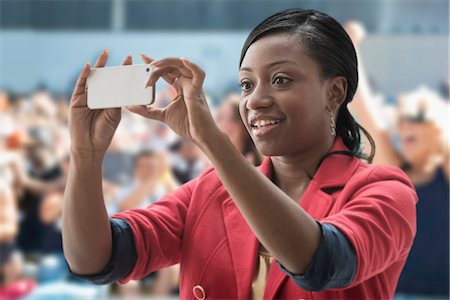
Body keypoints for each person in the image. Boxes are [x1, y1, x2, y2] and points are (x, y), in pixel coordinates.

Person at [62, 9, 417, 299]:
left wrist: (212, 141)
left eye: (280, 80)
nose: (255, 100)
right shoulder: (210, 191)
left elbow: (317, 260)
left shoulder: (385, 191)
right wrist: (85, 156)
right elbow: (96, 259)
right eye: (247, 84)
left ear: (335, 92)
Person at [346, 21, 449, 298]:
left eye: (416, 119)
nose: (405, 128)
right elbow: (363, 107)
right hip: (398, 293)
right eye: (401, 121)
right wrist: (350, 49)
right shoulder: (395, 169)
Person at [216, 93, 262, 166]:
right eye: (220, 118)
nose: (224, 125)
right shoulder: (213, 161)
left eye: (231, 119)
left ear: (244, 126)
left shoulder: (252, 165)